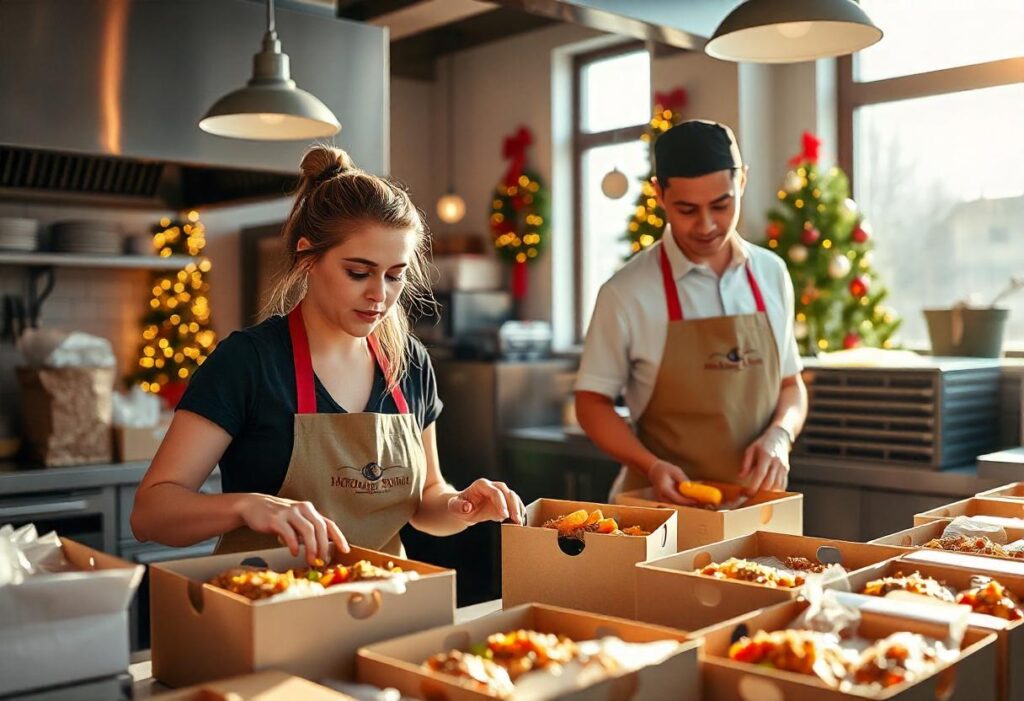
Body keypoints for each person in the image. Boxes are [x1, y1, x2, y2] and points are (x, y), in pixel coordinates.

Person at [131, 146, 525, 564]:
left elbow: (427, 498)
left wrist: (460, 506)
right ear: (307, 257)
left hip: (383, 603)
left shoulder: (408, 362)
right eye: (358, 273)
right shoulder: (249, 362)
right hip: (271, 607)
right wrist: (247, 506)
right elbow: (151, 514)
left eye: (395, 276)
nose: (379, 295)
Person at [574, 120, 808, 505]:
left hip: (753, 508)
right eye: (687, 209)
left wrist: (780, 434)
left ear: (743, 182)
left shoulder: (772, 273)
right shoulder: (626, 292)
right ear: (659, 195)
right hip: (660, 508)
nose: (707, 225)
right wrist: (650, 465)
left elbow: (790, 385)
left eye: (722, 204)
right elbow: (591, 403)